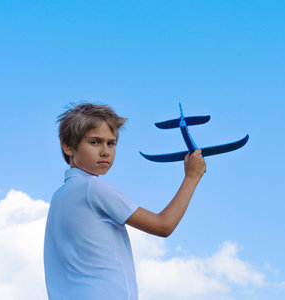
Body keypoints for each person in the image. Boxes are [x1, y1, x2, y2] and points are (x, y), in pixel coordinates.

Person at [44, 103, 206, 300]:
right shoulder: (92, 188)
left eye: (111, 143)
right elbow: (163, 226)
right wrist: (192, 177)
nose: (105, 151)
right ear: (67, 146)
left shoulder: (60, 196)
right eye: (95, 142)